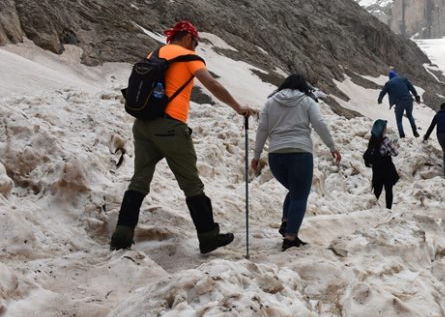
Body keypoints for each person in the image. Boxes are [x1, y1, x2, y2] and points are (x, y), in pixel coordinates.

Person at [111, 20, 254, 253]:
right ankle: (208, 235)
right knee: (192, 184)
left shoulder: (155, 53)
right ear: (188, 37)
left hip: (143, 125)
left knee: (139, 181)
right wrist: (237, 107)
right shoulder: (189, 57)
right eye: (196, 42)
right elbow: (211, 84)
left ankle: (121, 235)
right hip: (171, 127)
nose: (196, 47)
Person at [251, 74, 341, 251]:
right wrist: (332, 146)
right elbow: (319, 124)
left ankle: (286, 223)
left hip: (276, 156)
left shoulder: (270, 102)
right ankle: (290, 237)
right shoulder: (307, 101)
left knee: (294, 190)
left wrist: (256, 155)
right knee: (300, 195)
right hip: (300, 154)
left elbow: (262, 128)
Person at [364, 119, 400, 209]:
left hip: (377, 170)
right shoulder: (386, 140)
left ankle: (371, 209)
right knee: (388, 190)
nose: (386, 129)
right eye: (385, 127)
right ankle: (388, 209)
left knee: (377, 190)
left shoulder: (372, 140)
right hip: (386, 169)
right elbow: (395, 153)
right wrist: (394, 146)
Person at [377, 69, 421, 138]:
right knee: (409, 115)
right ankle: (415, 131)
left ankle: (402, 136)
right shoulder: (403, 79)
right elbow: (412, 88)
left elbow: (383, 92)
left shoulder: (388, 83)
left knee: (399, 120)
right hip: (409, 100)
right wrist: (416, 96)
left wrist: (380, 99)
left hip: (399, 102)